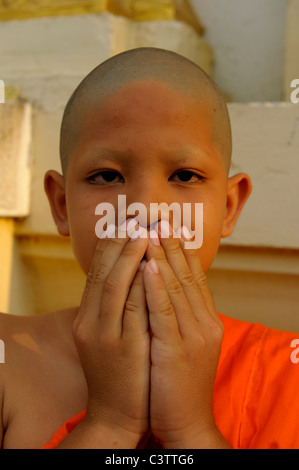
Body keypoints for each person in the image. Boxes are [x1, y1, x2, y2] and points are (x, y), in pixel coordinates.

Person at [0, 47, 298, 449]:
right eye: (107, 175)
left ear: (228, 207)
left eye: (185, 175)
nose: (144, 210)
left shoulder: (284, 371)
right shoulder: (10, 357)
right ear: (60, 205)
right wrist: (111, 424)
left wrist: (192, 430)